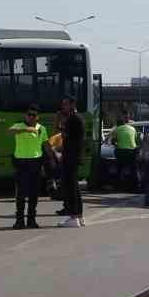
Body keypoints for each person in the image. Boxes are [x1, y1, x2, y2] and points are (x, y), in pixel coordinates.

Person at [8, 107, 49, 229]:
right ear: (25, 116)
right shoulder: (19, 125)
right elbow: (10, 131)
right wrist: (26, 129)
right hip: (21, 162)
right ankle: (19, 220)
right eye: (28, 115)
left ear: (37, 117)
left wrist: (52, 157)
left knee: (34, 193)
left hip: (35, 162)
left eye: (33, 115)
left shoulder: (42, 129)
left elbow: (45, 144)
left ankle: (31, 220)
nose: (30, 117)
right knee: (20, 193)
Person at [57, 97, 85, 227]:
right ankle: (79, 216)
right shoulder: (77, 118)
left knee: (70, 187)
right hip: (74, 156)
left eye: (65, 104)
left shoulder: (72, 119)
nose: (63, 107)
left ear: (72, 105)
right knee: (75, 187)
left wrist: (61, 126)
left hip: (70, 157)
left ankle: (73, 217)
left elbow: (65, 136)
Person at [112, 114, 139, 192]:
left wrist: (116, 145)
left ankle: (119, 187)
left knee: (120, 169)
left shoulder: (117, 129)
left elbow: (113, 141)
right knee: (133, 169)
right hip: (132, 151)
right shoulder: (132, 128)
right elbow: (135, 140)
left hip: (121, 151)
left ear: (118, 124)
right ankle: (134, 186)